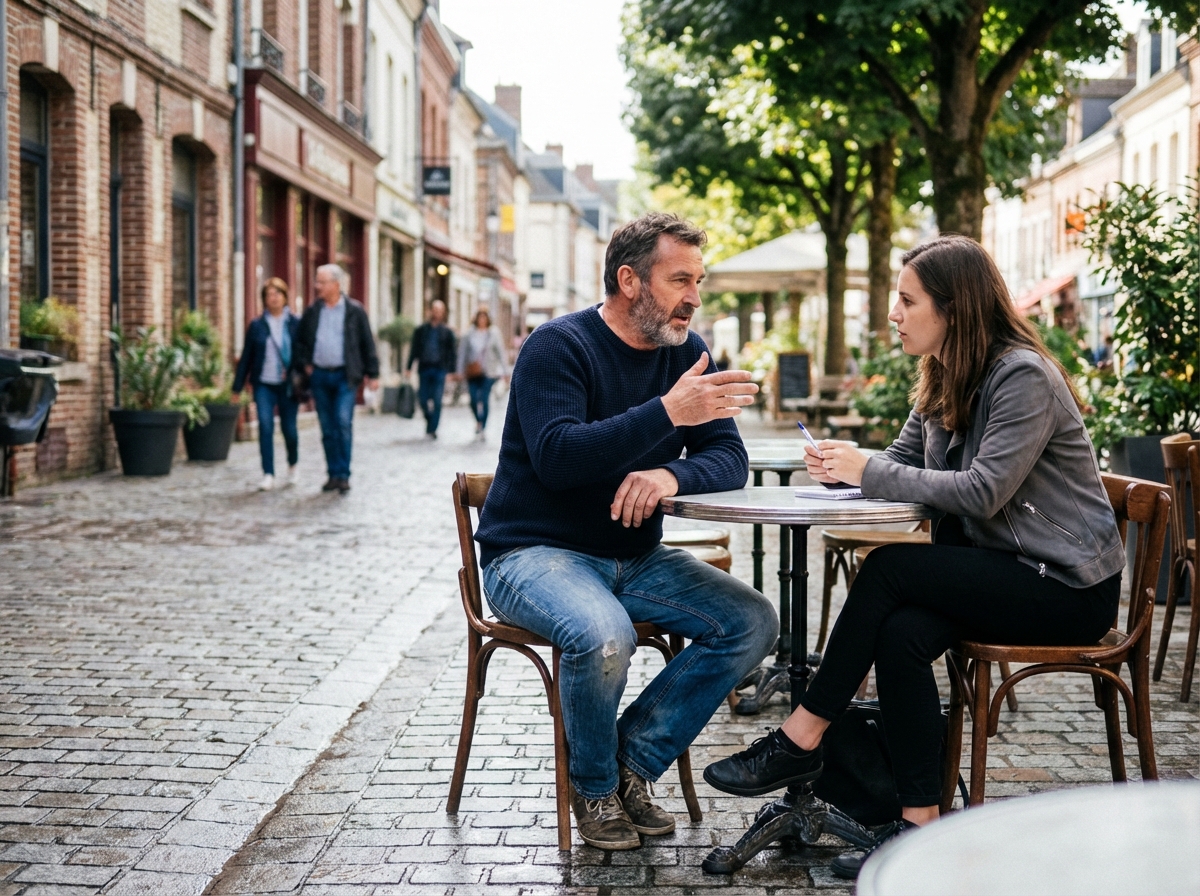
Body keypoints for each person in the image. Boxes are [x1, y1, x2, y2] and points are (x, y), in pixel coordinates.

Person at [702, 235, 1125, 878]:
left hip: (1066, 586)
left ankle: (801, 735)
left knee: (888, 569)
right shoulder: (943, 374)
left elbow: (983, 492)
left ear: (954, 308)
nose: (893, 314)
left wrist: (867, 470)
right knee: (900, 633)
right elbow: (900, 463)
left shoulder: (1022, 377)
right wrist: (842, 466)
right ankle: (917, 824)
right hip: (1001, 570)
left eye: (907, 300)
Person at [475, 213, 778, 851]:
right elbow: (558, 458)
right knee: (603, 633)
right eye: (680, 280)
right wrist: (667, 412)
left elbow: (729, 457)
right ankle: (592, 788)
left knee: (752, 621)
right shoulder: (556, 346)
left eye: (698, 281)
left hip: (634, 559)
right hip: (531, 554)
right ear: (630, 280)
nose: (694, 298)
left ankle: (629, 764)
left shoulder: (688, 354)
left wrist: (671, 474)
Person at [294, 264, 379, 494]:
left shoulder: (355, 311)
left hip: (345, 376)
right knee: (327, 427)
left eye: (322, 282)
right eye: (317, 281)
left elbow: (367, 343)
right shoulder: (313, 311)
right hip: (320, 376)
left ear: (336, 284)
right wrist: (306, 364)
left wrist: (373, 373)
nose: (317, 286)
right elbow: (300, 342)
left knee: (342, 422)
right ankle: (332, 474)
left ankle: (344, 474)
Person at [232, 277, 300, 491]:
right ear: (264, 299)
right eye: (269, 294)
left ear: (285, 296)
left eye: (277, 293)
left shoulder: (295, 323)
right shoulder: (257, 325)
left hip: (288, 385)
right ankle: (268, 473)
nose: (274, 298)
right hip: (264, 384)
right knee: (265, 426)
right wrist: (237, 387)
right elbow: (247, 357)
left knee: (289, 429)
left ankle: (293, 465)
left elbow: (304, 353)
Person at [456, 307, 508, 441]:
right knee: (473, 399)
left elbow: (500, 352)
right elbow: (462, 353)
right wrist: (459, 371)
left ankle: (482, 427)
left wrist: (505, 371)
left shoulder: (494, 333)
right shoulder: (469, 334)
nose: (482, 320)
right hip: (472, 371)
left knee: (484, 399)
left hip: (489, 372)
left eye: (484, 317)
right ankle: (478, 420)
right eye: (480, 317)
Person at [407, 300, 457, 439]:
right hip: (424, 368)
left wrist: (452, 371)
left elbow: (452, 353)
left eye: (439, 310)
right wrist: (408, 367)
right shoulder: (421, 330)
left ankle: (432, 429)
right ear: (430, 311)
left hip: (440, 369)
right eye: (434, 310)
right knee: (422, 399)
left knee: (437, 400)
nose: (436, 313)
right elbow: (414, 349)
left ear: (443, 313)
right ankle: (430, 420)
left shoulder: (447, 332)